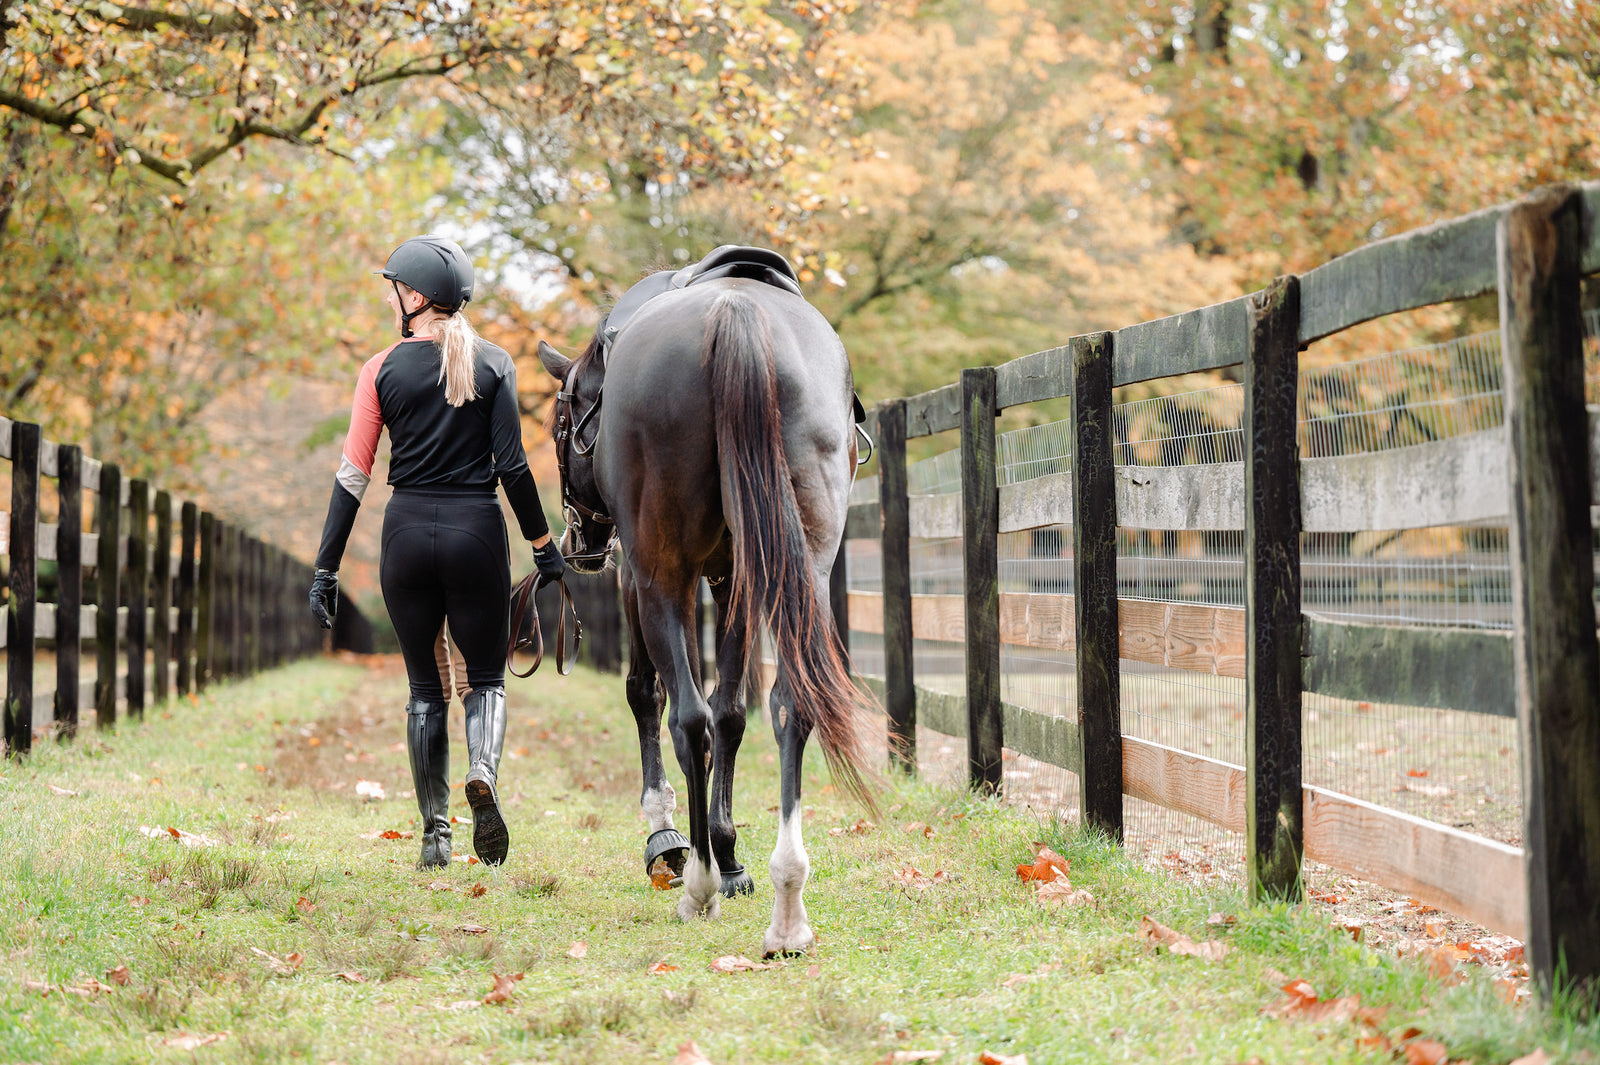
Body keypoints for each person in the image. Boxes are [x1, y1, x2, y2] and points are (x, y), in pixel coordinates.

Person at [308, 234, 566, 869]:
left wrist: (326, 567)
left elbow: (352, 476)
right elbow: (512, 467)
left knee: (425, 689)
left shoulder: (379, 369)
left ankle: (435, 837)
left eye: (396, 286)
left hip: (405, 538)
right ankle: (483, 769)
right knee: (484, 680)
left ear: (417, 296)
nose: (392, 295)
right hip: (476, 534)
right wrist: (543, 547)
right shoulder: (495, 364)